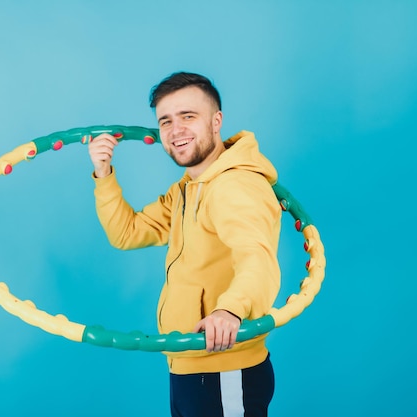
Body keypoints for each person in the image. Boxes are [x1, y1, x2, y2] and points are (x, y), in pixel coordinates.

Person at [87, 72, 281, 417]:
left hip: (224, 367)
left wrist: (230, 310)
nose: (176, 130)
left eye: (188, 117)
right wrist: (104, 173)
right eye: (166, 121)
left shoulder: (234, 186)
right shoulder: (188, 189)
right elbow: (127, 232)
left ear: (216, 121)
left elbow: (257, 257)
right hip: (189, 364)